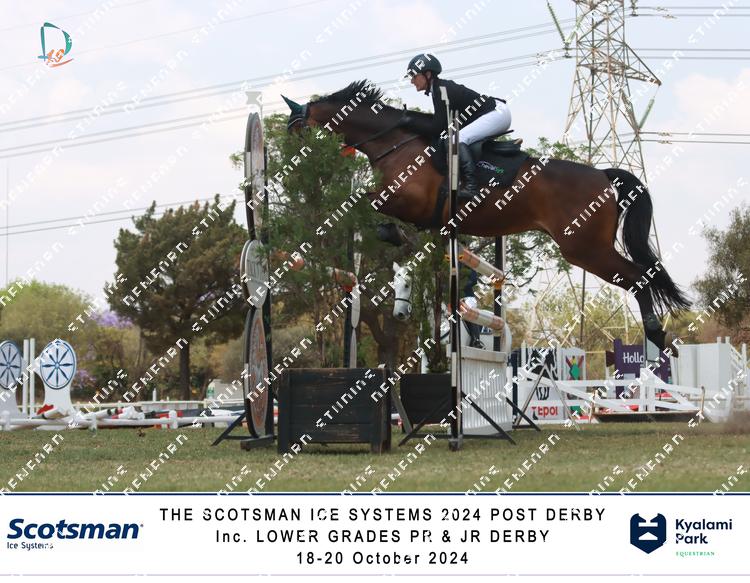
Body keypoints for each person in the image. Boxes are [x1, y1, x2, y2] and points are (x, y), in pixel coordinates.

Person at [403, 53, 512, 198]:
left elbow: (437, 128)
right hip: (492, 112)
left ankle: (472, 187)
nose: (412, 81)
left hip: (496, 113)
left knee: (455, 141)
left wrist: (409, 122)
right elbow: (441, 124)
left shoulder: (442, 90)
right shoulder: (438, 89)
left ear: (427, 74)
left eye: (414, 76)